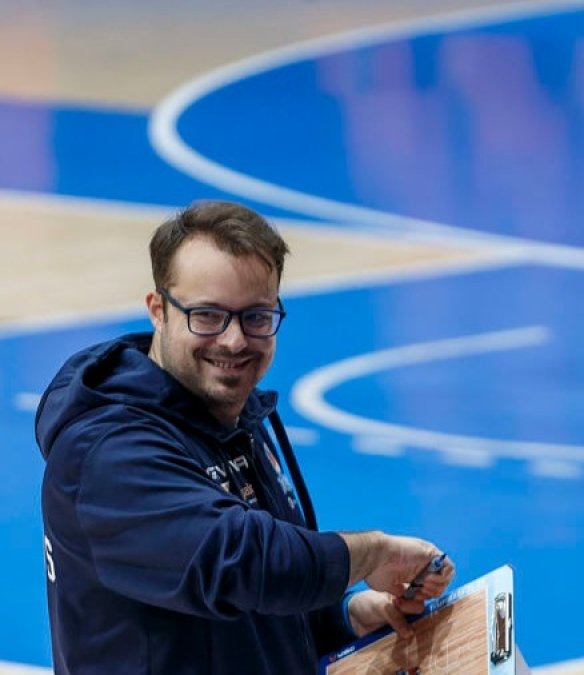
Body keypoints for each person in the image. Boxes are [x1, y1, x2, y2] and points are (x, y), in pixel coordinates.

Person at [36, 200, 456, 672]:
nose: (234, 341)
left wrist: (345, 616)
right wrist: (372, 553)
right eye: (207, 315)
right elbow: (242, 563)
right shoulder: (105, 455)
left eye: (255, 316)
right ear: (158, 310)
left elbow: (259, 599)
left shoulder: (231, 418)